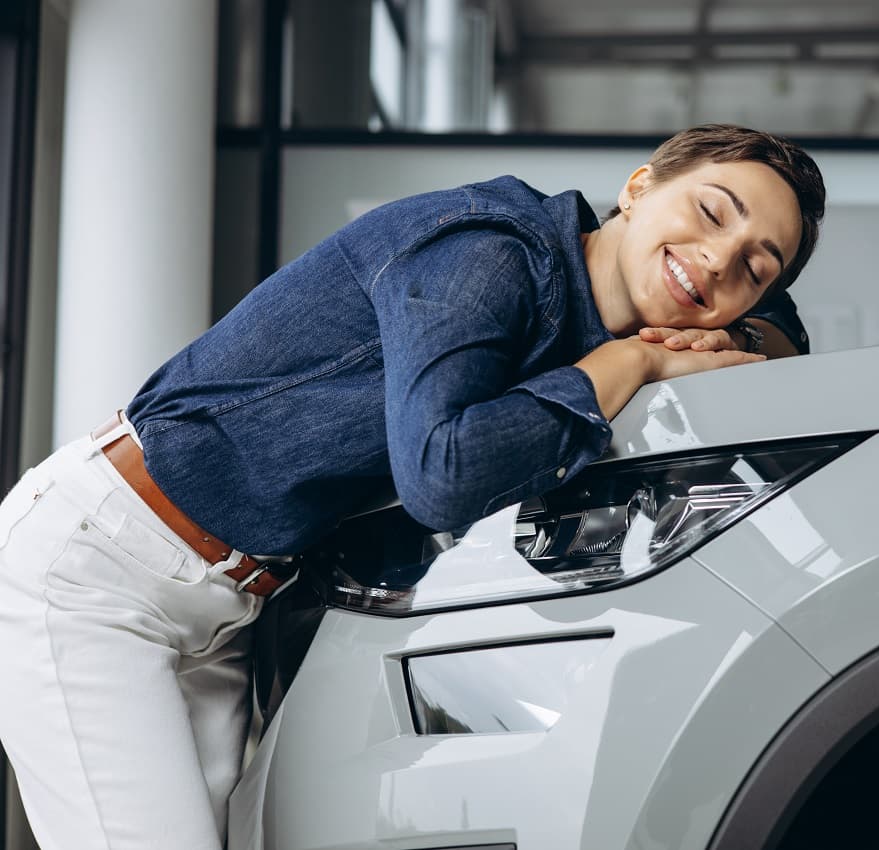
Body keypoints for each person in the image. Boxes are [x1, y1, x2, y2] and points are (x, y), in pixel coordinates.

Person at [0, 123, 825, 850]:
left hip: (226, 606)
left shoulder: (589, 326)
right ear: (639, 187)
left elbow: (782, 347)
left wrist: (730, 336)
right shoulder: (489, 247)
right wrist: (635, 359)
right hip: (98, 567)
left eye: (758, 266)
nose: (721, 260)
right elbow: (443, 471)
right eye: (713, 213)